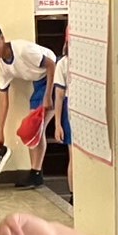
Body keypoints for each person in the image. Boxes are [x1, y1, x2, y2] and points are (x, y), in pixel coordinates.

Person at [0, 22, 56, 189]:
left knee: (33, 128)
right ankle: (35, 174)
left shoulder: (23, 50)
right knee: (31, 130)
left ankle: (36, 174)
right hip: (39, 83)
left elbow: (51, 65)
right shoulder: (1, 66)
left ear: (1, 38)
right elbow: (3, 99)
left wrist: (48, 96)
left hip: (54, 77)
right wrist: (0, 133)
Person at [51, 50, 72, 201]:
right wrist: (57, 124)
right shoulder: (63, 63)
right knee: (74, 155)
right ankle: (74, 194)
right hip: (70, 108)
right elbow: (58, 95)